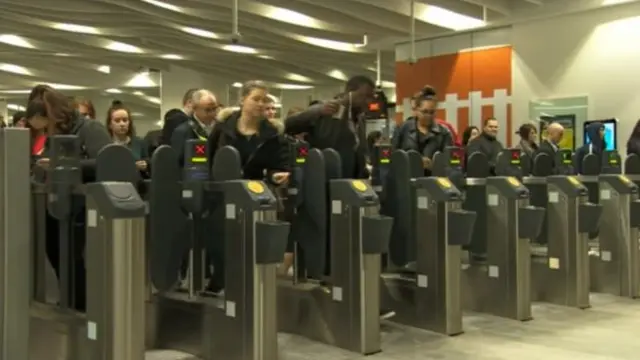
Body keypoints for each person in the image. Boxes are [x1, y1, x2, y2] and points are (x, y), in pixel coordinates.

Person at [28, 84, 112, 312]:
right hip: (58, 205)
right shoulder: (57, 135)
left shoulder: (90, 129)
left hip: (83, 207)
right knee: (57, 252)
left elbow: (107, 161)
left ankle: (83, 305)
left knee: (76, 258)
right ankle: (71, 300)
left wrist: (64, 165)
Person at [206, 80, 290, 293]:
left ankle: (250, 289)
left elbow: (279, 165)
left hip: (256, 198)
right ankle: (220, 285)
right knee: (222, 245)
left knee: (252, 248)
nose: (261, 104)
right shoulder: (222, 128)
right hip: (224, 196)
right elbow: (209, 158)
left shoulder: (273, 134)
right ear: (243, 99)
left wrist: (277, 175)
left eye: (264, 100)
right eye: (256, 99)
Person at [285, 75, 376, 179]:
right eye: (365, 96)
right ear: (350, 92)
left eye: (372, 97)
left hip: (351, 183)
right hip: (326, 180)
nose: (369, 101)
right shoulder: (327, 109)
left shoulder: (359, 119)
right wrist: (319, 111)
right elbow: (289, 124)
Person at [392, 86, 454, 175]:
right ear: (416, 110)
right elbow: (394, 156)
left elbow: (449, 164)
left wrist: (433, 165)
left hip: (433, 181)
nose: (428, 116)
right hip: (406, 178)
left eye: (432, 112)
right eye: (424, 112)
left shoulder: (444, 133)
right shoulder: (402, 129)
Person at [170, 89, 219, 167]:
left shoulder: (220, 129)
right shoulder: (183, 132)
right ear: (195, 108)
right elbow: (176, 163)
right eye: (207, 110)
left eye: (214, 109)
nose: (212, 114)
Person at [104, 100, 149, 174]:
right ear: (110, 124)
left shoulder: (139, 143)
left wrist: (145, 165)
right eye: (117, 121)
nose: (122, 124)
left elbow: (147, 163)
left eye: (125, 120)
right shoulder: (106, 144)